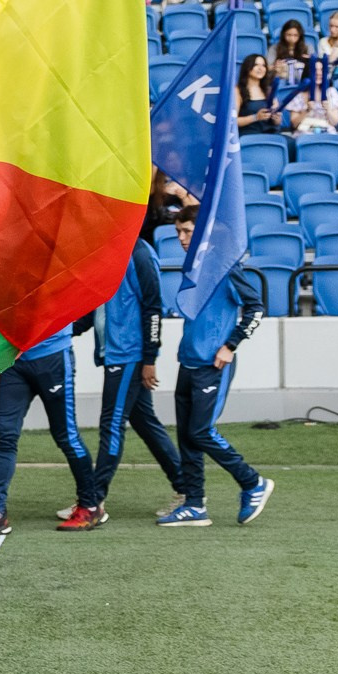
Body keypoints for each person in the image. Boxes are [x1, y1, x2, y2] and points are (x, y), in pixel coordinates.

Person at [153, 217, 275, 528]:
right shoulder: (193, 266)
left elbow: (256, 307)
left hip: (213, 365)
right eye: (178, 231)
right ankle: (195, 505)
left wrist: (231, 345)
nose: (180, 238)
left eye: (187, 231)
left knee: (200, 432)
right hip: (189, 362)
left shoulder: (224, 266)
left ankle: (252, 482)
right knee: (187, 437)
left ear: (204, 233)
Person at [0, 310, 97, 537]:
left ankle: (90, 506)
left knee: (66, 435)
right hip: (14, 363)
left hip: (53, 357)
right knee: (4, 435)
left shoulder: (57, 273)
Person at [85, 225, 185, 518]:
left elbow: (153, 308)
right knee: (146, 424)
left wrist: (149, 357)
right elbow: (98, 306)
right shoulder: (108, 254)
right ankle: (187, 488)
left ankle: (94, 500)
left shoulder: (140, 254)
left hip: (128, 355)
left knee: (111, 424)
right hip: (116, 353)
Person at [237, 53, 282, 134]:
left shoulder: (268, 90)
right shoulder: (237, 90)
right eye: (256, 65)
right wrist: (255, 117)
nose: (261, 68)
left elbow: (278, 122)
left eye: (264, 65)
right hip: (250, 136)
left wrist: (277, 119)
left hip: (272, 134)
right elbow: (232, 121)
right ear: (247, 67)